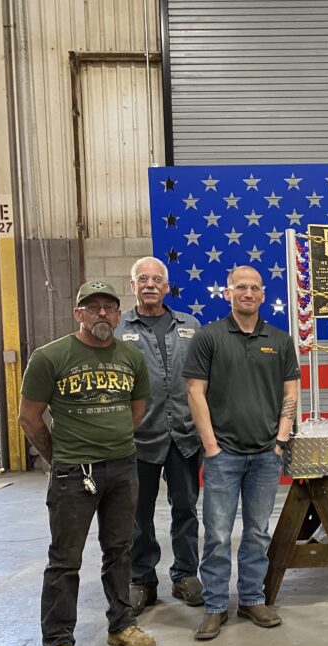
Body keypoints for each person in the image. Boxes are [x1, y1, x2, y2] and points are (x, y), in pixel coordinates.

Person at [19, 280, 156, 646]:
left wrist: (111, 446)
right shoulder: (50, 357)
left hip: (122, 467)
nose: (101, 314)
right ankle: (58, 644)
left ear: (118, 314)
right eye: (92, 307)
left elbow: (136, 411)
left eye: (108, 307)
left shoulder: (131, 357)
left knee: (120, 549)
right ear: (78, 313)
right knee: (65, 560)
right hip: (73, 473)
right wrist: (61, 456)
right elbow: (30, 418)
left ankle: (121, 625)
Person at [183, 265, 300, 641]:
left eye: (254, 287)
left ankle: (252, 599)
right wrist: (212, 447)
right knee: (216, 534)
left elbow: (291, 394)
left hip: (267, 455)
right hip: (224, 457)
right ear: (228, 293)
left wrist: (280, 441)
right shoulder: (208, 337)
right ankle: (215, 607)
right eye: (240, 287)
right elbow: (195, 392)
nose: (247, 293)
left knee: (257, 533)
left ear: (263, 295)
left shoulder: (280, 340)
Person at [115, 257, 203, 615]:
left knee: (186, 508)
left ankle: (185, 575)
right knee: (138, 512)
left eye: (157, 279)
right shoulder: (120, 330)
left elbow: (204, 378)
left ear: (167, 287)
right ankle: (141, 579)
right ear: (133, 285)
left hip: (184, 434)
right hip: (139, 437)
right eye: (143, 279)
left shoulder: (190, 326)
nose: (150, 285)